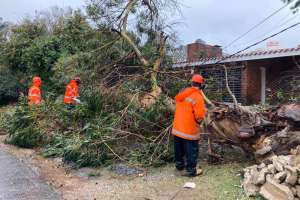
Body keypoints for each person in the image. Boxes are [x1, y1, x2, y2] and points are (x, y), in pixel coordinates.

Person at [172, 74, 207, 177]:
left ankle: (179, 166)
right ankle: (191, 170)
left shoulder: (182, 93)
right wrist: (199, 122)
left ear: (192, 83)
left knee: (179, 149)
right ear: (201, 85)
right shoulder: (198, 96)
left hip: (177, 128)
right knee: (191, 150)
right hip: (189, 129)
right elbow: (199, 115)